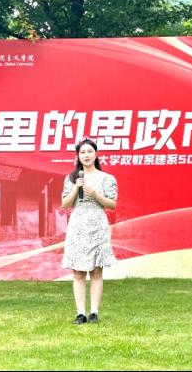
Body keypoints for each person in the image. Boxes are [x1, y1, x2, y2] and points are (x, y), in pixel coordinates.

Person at [61, 137, 118, 325]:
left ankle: (94, 312)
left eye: (90, 151)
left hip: (97, 225)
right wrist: (76, 188)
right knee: (78, 272)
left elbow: (112, 204)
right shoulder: (71, 179)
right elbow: (65, 204)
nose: (86, 155)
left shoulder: (106, 178)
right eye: (82, 152)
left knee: (96, 270)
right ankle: (80, 313)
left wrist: (96, 195)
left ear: (96, 154)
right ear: (78, 156)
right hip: (78, 225)